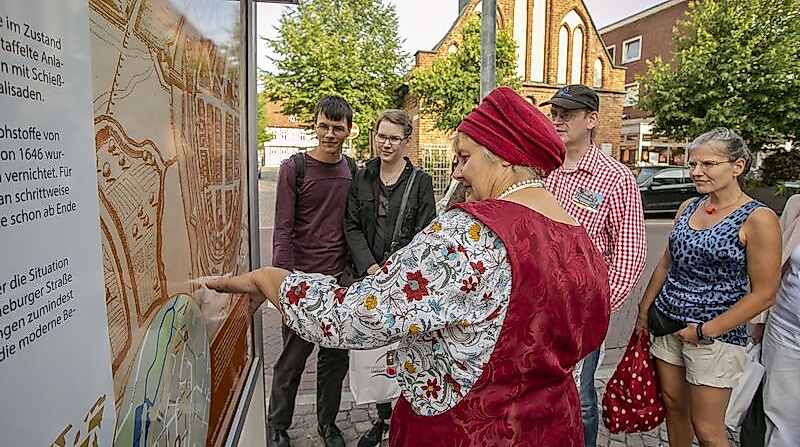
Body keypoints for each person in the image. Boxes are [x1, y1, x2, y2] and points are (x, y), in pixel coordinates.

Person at [208, 87, 610, 446]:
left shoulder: (470, 234)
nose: (457, 171)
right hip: (556, 427)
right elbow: (587, 336)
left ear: (503, 158)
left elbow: (356, 317)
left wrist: (272, 280)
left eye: (465, 157)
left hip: (465, 430)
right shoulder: (578, 236)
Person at [634, 127, 781, 447]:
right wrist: (645, 310)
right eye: (692, 164)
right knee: (674, 409)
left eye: (708, 164)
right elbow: (666, 263)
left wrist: (705, 330)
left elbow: (765, 293)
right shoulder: (689, 206)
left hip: (714, 337)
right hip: (667, 324)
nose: (696, 172)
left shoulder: (758, 218)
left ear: (737, 166)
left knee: (708, 430)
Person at [541, 84, 647, 447]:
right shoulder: (543, 168)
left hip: (580, 313)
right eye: (554, 113)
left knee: (581, 398)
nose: (557, 121)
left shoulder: (616, 178)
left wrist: (593, 310)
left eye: (566, 114)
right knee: (540, 392)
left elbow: (630, 255)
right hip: (536, 307)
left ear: (591, 120)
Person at [344, 109, 436, 446]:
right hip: (369, 278)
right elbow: (351, 225)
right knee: (374, 349)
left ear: (406, 141)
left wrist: (397, 271)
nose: (386, 143)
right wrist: (370, 266)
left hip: (405, 283)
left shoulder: (421, 182)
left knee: (404, 348)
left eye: (394, 138)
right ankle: (383, 417)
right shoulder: (363, 175)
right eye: (381, 136)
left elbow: (425, 233)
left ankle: (406, 414)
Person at [267, 95, 355, 447]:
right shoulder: (295, 168)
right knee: (292, 361)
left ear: (349, 129)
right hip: (301, 281)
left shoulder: (352, 169)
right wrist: (282, 283)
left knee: (334, 362)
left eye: (337, 127)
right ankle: (277, 425)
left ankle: (327, 424)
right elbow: (282, 228)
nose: (330, 134)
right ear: (314, 126)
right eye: (324, 126)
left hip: (337, 282)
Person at [761, 193, 800, 447]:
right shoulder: (797, 204)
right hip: (786, 328)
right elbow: (776, 266)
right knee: (779, 414)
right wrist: (761, 321)